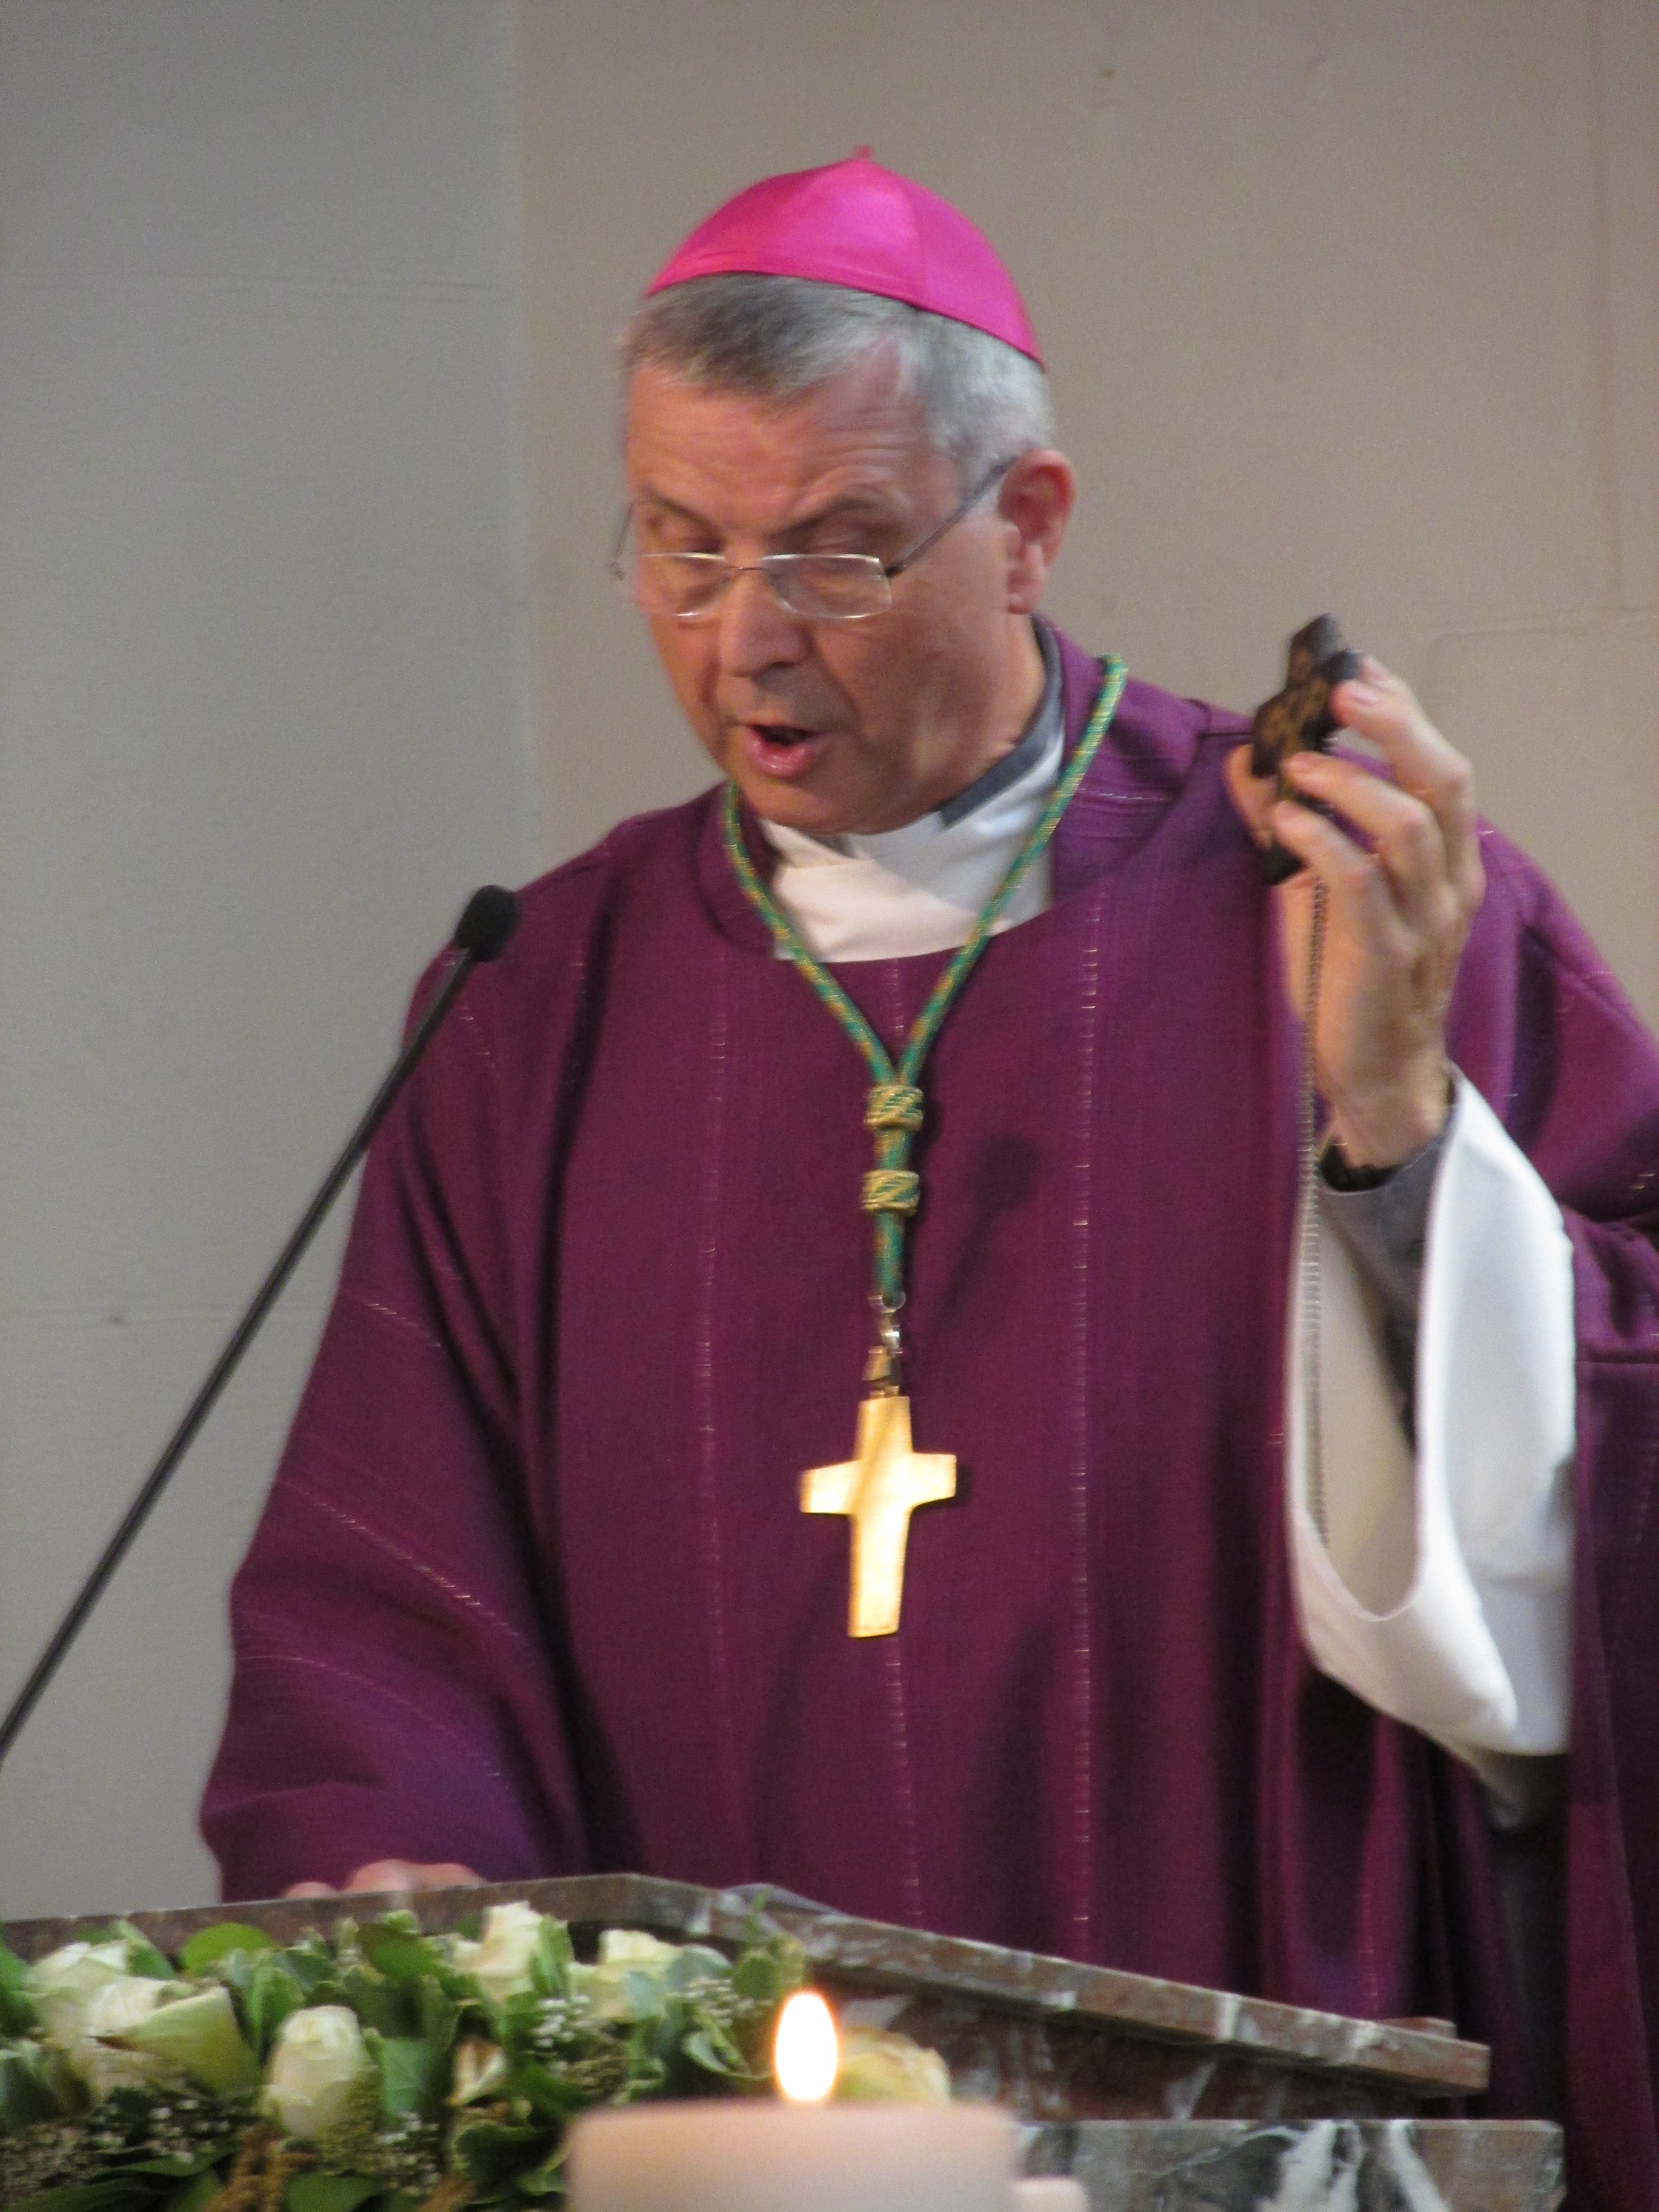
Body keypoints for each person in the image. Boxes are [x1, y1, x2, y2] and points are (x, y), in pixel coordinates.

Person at [202, 156, 1659, 2206]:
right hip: (697, 2141)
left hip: (1256, 2083)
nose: (743, 646)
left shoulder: (1343, 897)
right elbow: (391, 1575)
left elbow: (1613, 1479)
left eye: (837, 559)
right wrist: (406, 1874)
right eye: (679, 552)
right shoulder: (537, 1000)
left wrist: (1397, 1130)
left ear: (1028, 530)